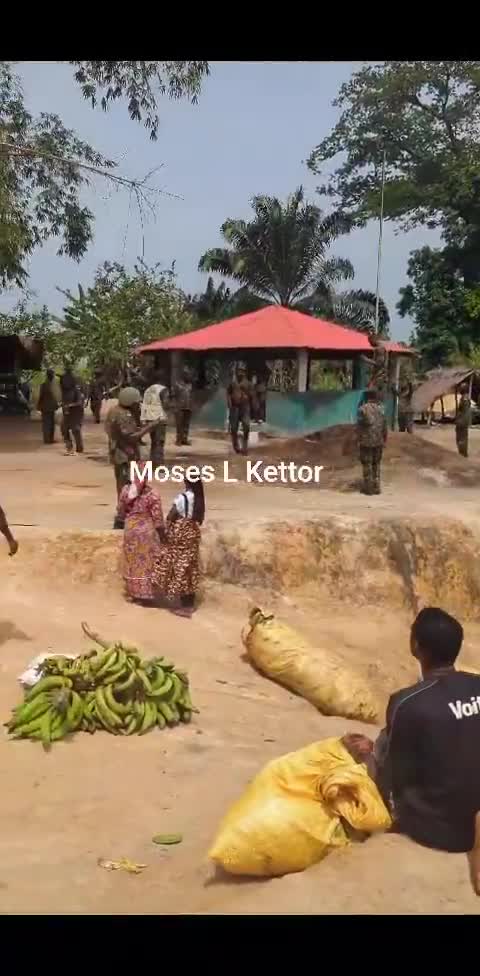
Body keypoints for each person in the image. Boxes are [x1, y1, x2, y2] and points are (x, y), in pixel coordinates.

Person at [344, 608, 480, 895]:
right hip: (472, 811)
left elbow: (394, 778)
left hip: (439, 831)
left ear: (416, 646)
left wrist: (367, 757)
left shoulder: (407, 702)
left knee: (376, 744)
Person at [154, 474, 205, 618]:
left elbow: (171, 515)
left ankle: (185, 605)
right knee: (190, 568)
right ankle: (189, 603)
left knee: (179, 567)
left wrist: (165, 532)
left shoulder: (183, 498)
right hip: (193, 533)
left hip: (181, 533)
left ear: (186, 481)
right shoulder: (199, 498)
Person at [106, 387, 157, 529]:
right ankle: (122, 517)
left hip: (120, 453)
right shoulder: (123, 415)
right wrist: (150, 427)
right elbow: (132, 437)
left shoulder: (116, 411)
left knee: (123, 485)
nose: (138, 405)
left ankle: (123, 513)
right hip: (124, 454)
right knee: (127, 485)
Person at [116, 461, 165, 603]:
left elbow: (120, 511)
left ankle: (134, 593)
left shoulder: (126, 490)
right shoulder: (153, 494)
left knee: (133, 564)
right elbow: (158, 518)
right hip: (146, 533)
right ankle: (146, 595)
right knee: (146, 564)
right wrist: (163, 536)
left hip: (130, 531)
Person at [356, 388, 388, 495]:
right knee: (376, 464)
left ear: (367, 397)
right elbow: (385, 426)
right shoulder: (382, 409)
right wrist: (384, 439)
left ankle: (368, 488)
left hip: (366, 441)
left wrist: (358, 439)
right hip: (379, 440)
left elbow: (360, 425)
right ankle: (376, 487)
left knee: (367, 464)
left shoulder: (362, 409)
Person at [141, 369, 169, 465]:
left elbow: (144, 404)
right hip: (159, 418)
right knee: (159, 442)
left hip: (149, 418)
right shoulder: (163, 389)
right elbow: (166, 404)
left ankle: (153, 462)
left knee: (154, 442)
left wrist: (143, 419)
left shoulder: (148, 390)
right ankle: (159, 464)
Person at [227, 365, 252, 454]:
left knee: (246, 426)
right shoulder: (233, 383)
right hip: (234, 407)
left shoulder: (248, 383)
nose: (240, 373)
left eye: (242, 371)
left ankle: (245, 447)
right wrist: (229, 404)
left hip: (245, 407)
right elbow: (228, 393)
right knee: (234, 428)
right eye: (239, 371)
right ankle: (236, 446)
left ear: (245, 372)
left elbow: (252, 396)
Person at [60, 368, 84, 455]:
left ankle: (79, 447)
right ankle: (69, 446)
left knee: (76, 429)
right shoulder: (65, 392)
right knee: (64, 429)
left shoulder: (76, 390)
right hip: (67, 413)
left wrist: (70, 405)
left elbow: (79, 402)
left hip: (76, 413)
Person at [37, 368, 59, 444]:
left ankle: (48, 439)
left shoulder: (43, 385)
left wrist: (38, 405)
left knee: (47, 423)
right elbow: (56, 396)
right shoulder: (53, 386)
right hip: (51, 407)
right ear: (52, 375)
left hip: (45, 407)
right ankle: (49, 439)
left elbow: (41, 396)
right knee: (50, 424)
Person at [173, 367, 193, 446]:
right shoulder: (177, 384)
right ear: (183, 375)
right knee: (179, 425)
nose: (188, 376)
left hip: (188, 407)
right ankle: (178, 440)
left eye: (189, 374)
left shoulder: (190, 385)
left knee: (186, 424)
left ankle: (185, 439)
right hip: (179, 407)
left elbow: (191, 395)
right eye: (187, 374)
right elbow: (173, 396)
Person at [455, 384, 471, 458]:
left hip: (462, 423)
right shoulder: (464, 398)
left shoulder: (465, 399)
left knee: (462, 439)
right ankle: (462, 453)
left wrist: (461, 422)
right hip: (462, 422)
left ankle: (463, 454)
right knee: (461, 439)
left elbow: (466, 413)